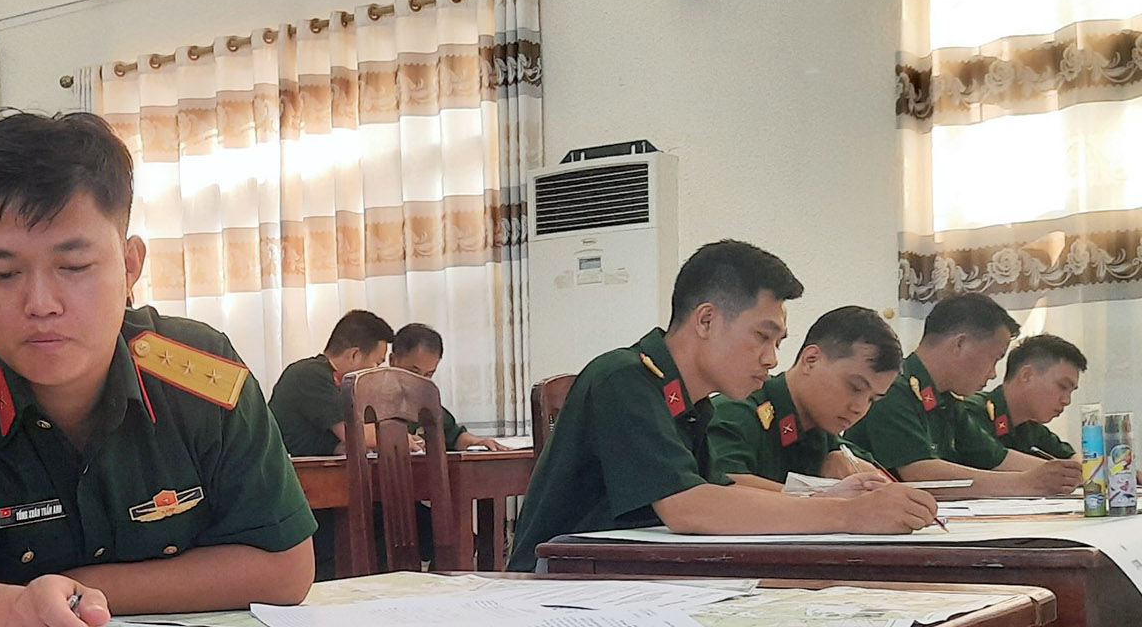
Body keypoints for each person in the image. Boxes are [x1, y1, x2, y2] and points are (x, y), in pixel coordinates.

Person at [0, 111, 315, 627]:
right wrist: (18, 611)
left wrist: (84, 593)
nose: (40, 302)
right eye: (3, 274)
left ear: (130, 266)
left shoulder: (202, 374)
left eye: (74, 265)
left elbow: (286, 570)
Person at [505, 241, 940, 571]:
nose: (771, 359)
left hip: (627, 578)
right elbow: (689, 507)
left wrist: (827, 493)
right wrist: (849, 514)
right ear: (707, 320)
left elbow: (721, 492)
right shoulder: (624, 378)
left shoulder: (693, 405)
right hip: (556, 586)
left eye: (777, 343)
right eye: (761, 337)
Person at [843, 294, 1082, 496]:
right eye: (994, 358)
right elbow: (922, 474)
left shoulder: (947, 400)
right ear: (960, 344)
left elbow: (996, 458)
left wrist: (1064, 475)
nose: (992, 374)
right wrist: (1027, 483)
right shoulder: (894, 388)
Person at [708, 305, 901, 488]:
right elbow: (724, 489)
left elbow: (889, 492)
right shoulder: (736, 413)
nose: (859, 408)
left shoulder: (826, 437)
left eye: (872, 399)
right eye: (855, 387)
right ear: (811, 360)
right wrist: (827, 497)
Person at [268, 309, 395, 456]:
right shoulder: (311, 374)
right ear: (354, 355)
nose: (376, 372)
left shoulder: (335, 380)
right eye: (376, 364)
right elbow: (356, 434)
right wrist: (402, 437)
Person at [386, 322, 511, 451]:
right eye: (414, 372)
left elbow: (454, 436)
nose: (420, 381)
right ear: (393, 361)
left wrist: (477, 441)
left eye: (429, 374)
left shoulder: (426, 404)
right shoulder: (375, 396)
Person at [969, 332, 1084, 459]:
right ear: (1027, 375)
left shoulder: (1030, 428)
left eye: (1071, 391)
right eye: (1062, 386)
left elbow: (1072, 459)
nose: (1066, 400)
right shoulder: (972, 412)